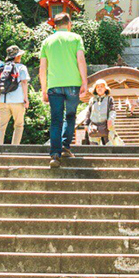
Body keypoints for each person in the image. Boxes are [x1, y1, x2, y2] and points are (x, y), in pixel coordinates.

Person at [39, 12, 88, 168]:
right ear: (69, 24)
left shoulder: (47, 41)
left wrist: (43, 89)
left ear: (55, 25)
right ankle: (66, 146)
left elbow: (42, 68)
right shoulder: (75, 38)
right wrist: (84, 82)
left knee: (56, 120)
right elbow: (81, 60)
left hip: (54, 86)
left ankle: (55, 155)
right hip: (73, 84)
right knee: (71, 115)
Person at [0, 45, 30, 145]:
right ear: (17, 56)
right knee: (18, 125)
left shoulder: (1, 67)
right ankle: (14, 148)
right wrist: (26, 99)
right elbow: (24, 83)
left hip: (3, 101)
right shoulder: (22, 67)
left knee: (1, 126)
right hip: (18, 101)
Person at [83, 81, 114, 145]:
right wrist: (86, 124)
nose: (99, 88)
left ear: (105, 89)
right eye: (98, 87)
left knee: (108, 147)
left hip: (105, 126)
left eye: (101, 87)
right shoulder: (92, 100)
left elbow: (112, 110)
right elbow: (88, 112)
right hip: (94, 126)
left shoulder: (109, 99)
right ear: (95, 89)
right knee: (93, 147)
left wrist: (111, 119)